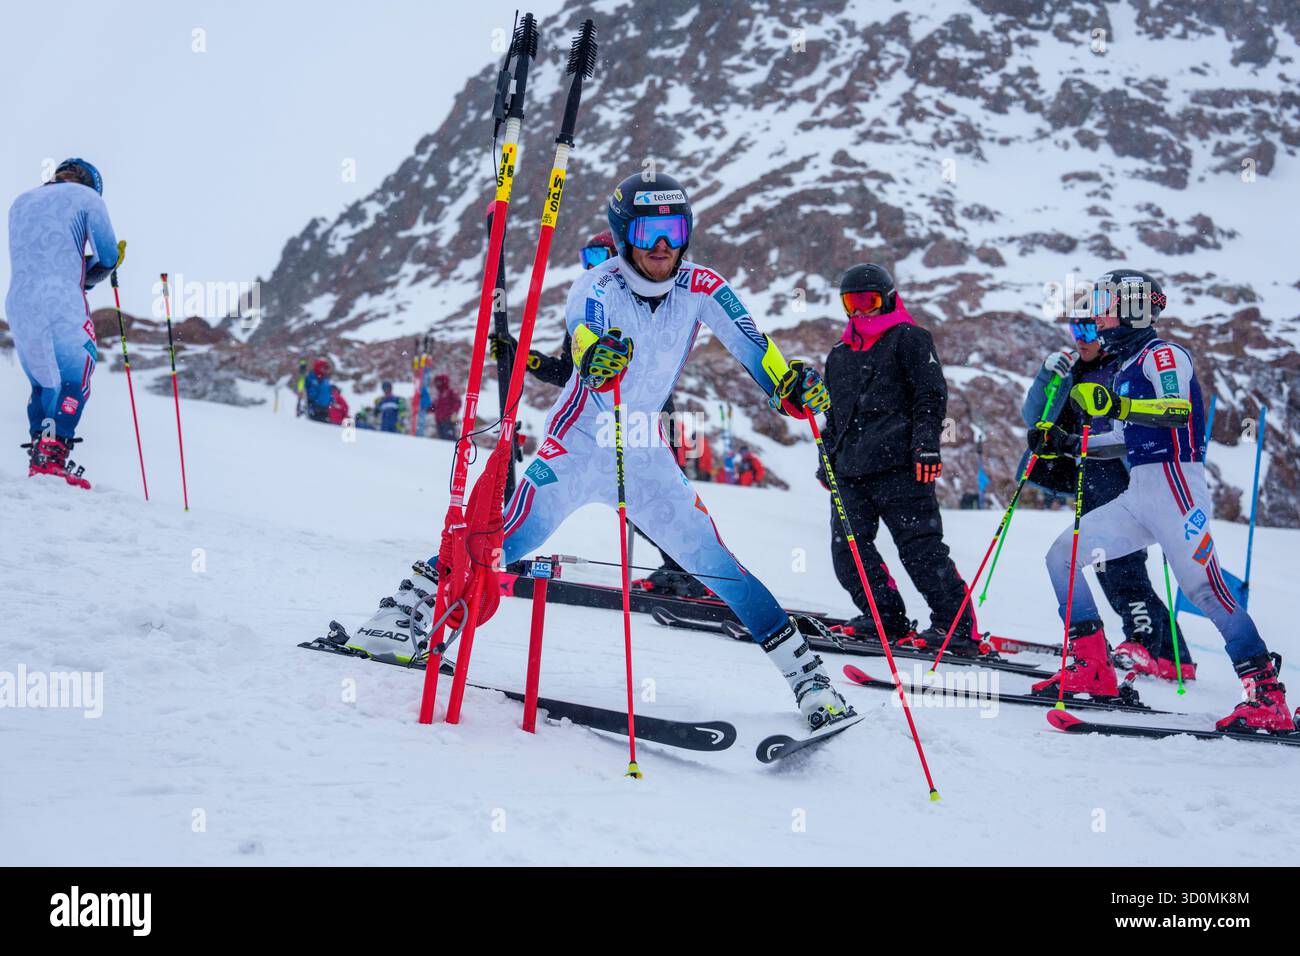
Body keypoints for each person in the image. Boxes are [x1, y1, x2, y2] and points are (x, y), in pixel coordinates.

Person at [349, 172, 853, 731]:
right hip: (579, 443)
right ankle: (398, 617)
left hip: (643, 452)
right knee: (501, 541)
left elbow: (756, 350)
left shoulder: (704, 287)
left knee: (716, 563)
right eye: (648, 231)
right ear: (622, 234)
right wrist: (596, 357)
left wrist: (789, 387)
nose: (662, 247)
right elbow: (586, 334)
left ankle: (809, 681)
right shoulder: (598, 285)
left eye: (674, 230)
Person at [1040, 269, 1293, 732]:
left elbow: (1175, 412)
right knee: (1063, 556)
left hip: (1178, 488)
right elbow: (1122, 435)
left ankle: (1266, 696)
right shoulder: (1127, 366)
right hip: (1141, 493)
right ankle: (1093, 667)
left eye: (1108, 305)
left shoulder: (1164, 355)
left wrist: (1116, 407)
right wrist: (1067, 441)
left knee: (1205, 590)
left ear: (1135, 309)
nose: (1099, 315)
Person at [817, 264, 985, 656]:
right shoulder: (839, 355)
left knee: (919, 548)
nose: (860, 312)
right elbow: (833, 413)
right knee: (848, 550)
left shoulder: (910, 339)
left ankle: (955, 626)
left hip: (901, 466)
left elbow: (931, 395)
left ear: (888, 300)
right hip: (850, 470)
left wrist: (926, 446)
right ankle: (884, 617)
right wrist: (827, 457)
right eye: (851, 303)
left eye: (869, 301)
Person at [1021, 326, 1194, 681]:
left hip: (1119, 471)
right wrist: (1045, 375)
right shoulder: (1074, 371)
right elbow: (1035, 416)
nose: (1080, 338)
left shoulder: (1123, 367)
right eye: (1075, 328)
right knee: (1102, 563)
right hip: (1088, 470)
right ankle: (1174, 655)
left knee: (1120, 562)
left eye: (1089, 328)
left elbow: (1141, 421)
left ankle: (1144, 642)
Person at [7, 158, 120, 489]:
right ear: (91, 184)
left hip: (19, 301)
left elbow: (43, 254)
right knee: (76, 376)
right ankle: (53, 456)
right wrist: (101, 268)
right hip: (60, 299)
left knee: (43, 383)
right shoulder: (89, 199)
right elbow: (108, 256)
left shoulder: (20, 202)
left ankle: (39, 454)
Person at [432, 374, 460, 440]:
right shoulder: (439, 394)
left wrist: (454, 413)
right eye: (436, 382)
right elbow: (436, 406)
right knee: (442, 439)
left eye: (439, 382)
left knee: (449, 438)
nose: (437, 384)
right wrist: (430, 408)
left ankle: (454, 449)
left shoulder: (450, 392)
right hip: (439, 420)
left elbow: (458, 402)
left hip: (448, 419)